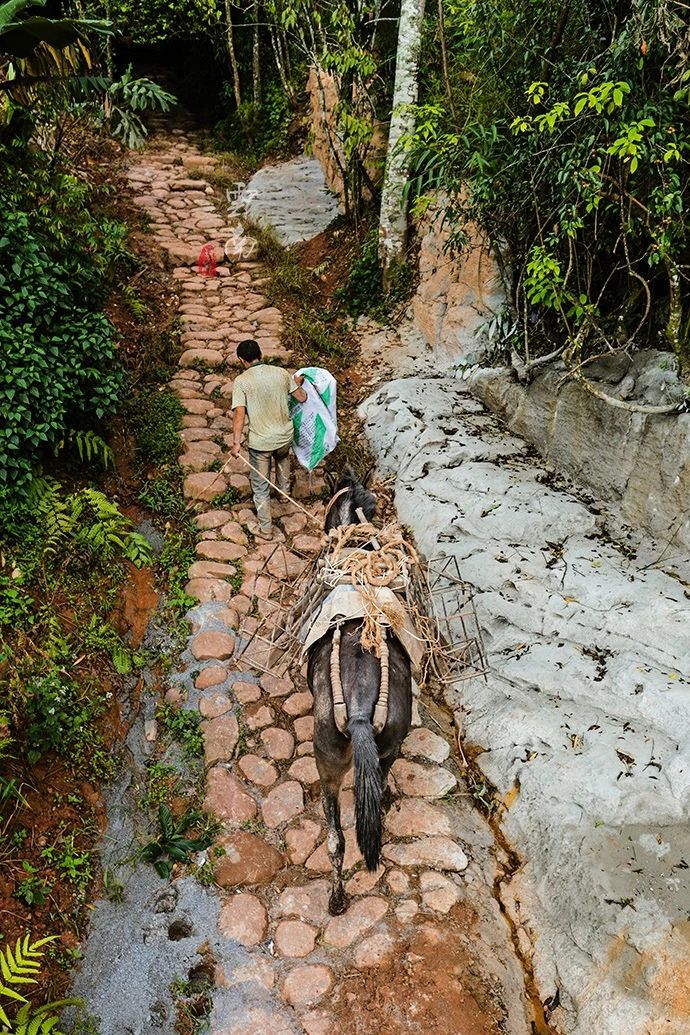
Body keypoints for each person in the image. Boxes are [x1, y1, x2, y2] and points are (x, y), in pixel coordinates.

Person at [231, 339, 307, 537]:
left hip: (262, 442)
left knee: (260, 484)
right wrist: (296, 384)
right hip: (284, 436)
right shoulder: (281, 373)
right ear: (260, 355)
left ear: (241, 360)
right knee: (282, 458)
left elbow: (239, 413)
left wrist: (236, 443)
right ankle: (284, 495)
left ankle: (265, 528)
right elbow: (302, 397)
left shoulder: (242, 381)